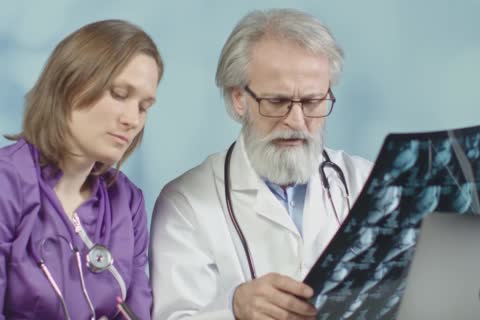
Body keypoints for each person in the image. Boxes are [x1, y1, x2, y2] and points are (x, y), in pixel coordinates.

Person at [151, 8, 373, 320]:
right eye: (277, 102)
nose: (296, 121)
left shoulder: (364, 181)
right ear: (239, 98)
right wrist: (233, 310)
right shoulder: (185, 203)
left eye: (312, 102)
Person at [0, 19, 163, 319]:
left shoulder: (127, 204)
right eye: (119, 94)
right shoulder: (6, 185)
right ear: (70, 85)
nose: (133, 119)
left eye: (144, 106)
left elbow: (138, 310)